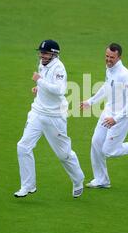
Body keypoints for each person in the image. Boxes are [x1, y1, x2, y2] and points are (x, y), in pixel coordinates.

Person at [15, 40, 85, 198]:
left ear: (54, 54)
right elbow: (46, 85)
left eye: (45, 53)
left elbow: (60, 90)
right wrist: (38, 88)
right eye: (41, 52)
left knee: (63, 155)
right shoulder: (42, 63)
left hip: (55, 116)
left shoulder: (59, 68)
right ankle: (28, 185)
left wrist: (39, 80)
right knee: (23, 146)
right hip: (37, 112)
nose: (42, 55)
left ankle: (78, 179)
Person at [80, 43, 128, 189]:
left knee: (109, 151)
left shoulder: (124, 74)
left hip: (122, 117)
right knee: (96, 142)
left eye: (111, 57)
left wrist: (116, 119)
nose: (108, 60)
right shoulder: (109, 69)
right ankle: (101, 179)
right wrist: (91, 101)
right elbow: (106, 86)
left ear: (119, 57)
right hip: (108, 112)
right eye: (107, 56)